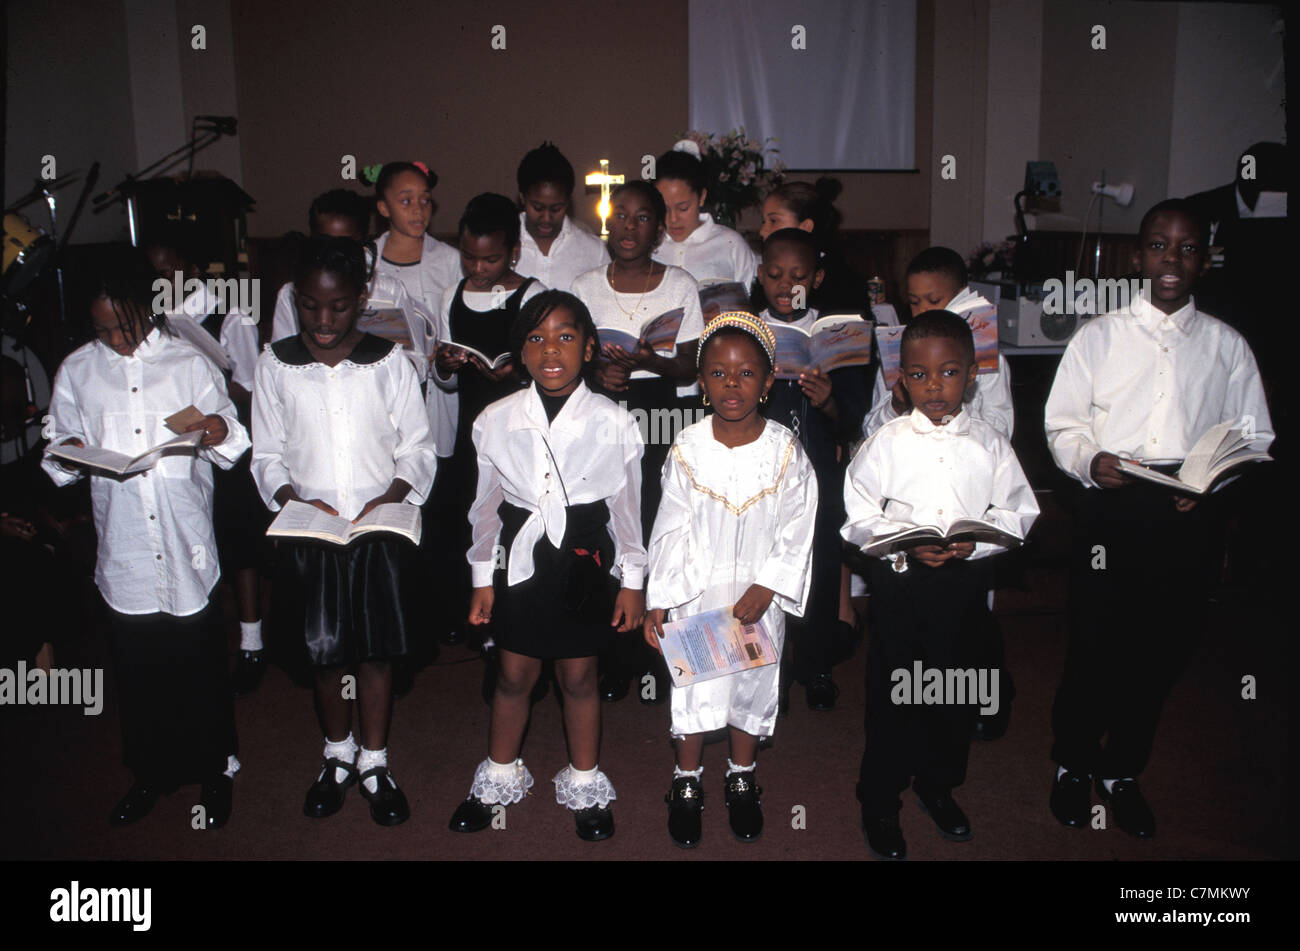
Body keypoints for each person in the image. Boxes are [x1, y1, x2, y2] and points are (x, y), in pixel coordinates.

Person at [1043, 199, 1273, 839]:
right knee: (1095, 641)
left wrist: (1214, 482)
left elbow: (1252, 433)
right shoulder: (1100, 336)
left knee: (1162, 646)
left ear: (1206, 259)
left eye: (1188, 248)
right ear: (1138, 255)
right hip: (1114, 503)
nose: (1172, 259)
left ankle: (1122, 769)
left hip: (1187, 505)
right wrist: (1092, 460)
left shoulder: (1227, 345)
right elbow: (1063, 423)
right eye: (1159, 246)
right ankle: (1072, 762)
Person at [42, 245, 249, 829]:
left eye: (125, 325)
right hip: (126, 549)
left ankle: (216, 769)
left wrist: (215, 429)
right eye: (103, 329)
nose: (116, 339)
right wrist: (72, 454)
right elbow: (57, 448)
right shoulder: (78, 370)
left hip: (187, 544)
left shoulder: (187, 362)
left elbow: (232, 440)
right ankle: (150, 772)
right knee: (139, 672)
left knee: (200, 667)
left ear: (148, 308)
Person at [251, 236, 437, 827]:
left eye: (337, 306)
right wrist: (291, 499)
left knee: (376, 653)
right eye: (309, 306)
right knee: (326, 653)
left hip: (377, 533)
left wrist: (392, 496)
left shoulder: (388, 361)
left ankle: (375, 761)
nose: (323, 320)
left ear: (360, 299)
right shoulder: (275, 363)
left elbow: (418, 448)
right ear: (294, 300)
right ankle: (337, 756)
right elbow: (266, 455)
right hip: (313, 535)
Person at [448, 290, 645, 841]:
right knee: (513, 673)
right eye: (535, 337)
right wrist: (481, 578)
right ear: (519, 352)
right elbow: (484, 509)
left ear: (589, 348)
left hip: (584, 557)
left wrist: (632, 583)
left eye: (565, 336)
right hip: (520, 554)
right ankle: (498, 778)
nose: (550, 350)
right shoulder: (495, 419)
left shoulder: (614, 423)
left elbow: (627, 513)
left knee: (579, 675)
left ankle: (585, 785)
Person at [843, 310, 1038, 860]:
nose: (935, 387)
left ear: (972, 374)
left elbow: (1019, 511)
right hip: (902, 586)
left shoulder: (991, 443)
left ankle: (938, 784)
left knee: (954, 692)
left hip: (963, 587)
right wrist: (903, 538)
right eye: (920, 375)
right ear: (901, 378)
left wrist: (982, 541)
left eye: (949, 373)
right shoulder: (886, 441)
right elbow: (857, 513)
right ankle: (880, 799)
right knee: (895, 696)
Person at [645, 312, 817, 847]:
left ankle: (741, 777)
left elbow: (799, 524)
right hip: (698, 594)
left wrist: (769, 585)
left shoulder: (785, 450)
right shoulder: (687, 448)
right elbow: (669, 528)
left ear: (768, 382)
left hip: (758, 602)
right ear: (702, 382)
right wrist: (661, 599)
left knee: (750, 688)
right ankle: (687, 781)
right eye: (718, 373)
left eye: (746, 373)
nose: (731, 384)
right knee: (694, 691)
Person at [861, 246, 1017, 739]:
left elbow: (1000, 431)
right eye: (915, 303)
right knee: (902, 645)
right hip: (910, 531)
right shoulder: (903, 359)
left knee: (969, 632)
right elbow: (871, 429)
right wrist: (897, 402)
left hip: (966, 514)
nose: (926, 313)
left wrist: (950, 417)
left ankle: (982, 702)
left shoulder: (979, 359)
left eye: (937, 301)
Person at [571, 181, 704, 703]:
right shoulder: (584, 285)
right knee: (608, 526)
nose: (629, 226)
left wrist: (648, 361)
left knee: (658, 526)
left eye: (642, 217)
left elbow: (690, 364)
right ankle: (614, 655)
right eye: (620, 216)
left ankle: (665, 654)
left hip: (664, 414)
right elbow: (573, 356)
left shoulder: (679, 284)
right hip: (605, 413)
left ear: (657, 228)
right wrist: (600, 373)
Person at [145, 233, 267, 696]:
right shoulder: (154, 320)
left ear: (191, 271)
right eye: (153, 275)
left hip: (225, 437)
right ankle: (197, 631)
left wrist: (210, 373)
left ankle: (252, 640)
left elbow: (253, 387)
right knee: (194, 535)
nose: (160, 281)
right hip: (179, 439)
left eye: (167, 271)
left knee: (238, 541)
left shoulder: (229, 311)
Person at [756, 229, 867, 711]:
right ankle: (767, 665)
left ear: (817, 279)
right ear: (760, 277)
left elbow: (854, 416)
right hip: (761, 471)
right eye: (776, 275)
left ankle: (816, 662)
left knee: (820, 565)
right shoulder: (746, 329)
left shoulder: (837, 334)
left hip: (818, 467)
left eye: (799, 277)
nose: (787, 286)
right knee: (764, 564)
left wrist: (828, 403)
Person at [430, 194, 546, 649]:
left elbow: (547, 368)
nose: (478, 269)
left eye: (491, 258)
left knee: (514, 520)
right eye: (469, 258)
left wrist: (517, 371)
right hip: (471, 433)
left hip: (518, 434)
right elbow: (445, 386)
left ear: (513, 251)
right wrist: (444, 364)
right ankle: (478, 618)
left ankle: (514, 621)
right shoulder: (451, 297)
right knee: (476, 520)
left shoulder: (531, 294)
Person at [652, 141, 757, 288]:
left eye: (683, 208)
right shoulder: (648, 244)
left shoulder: (731, 243)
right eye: (664, 209)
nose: (673, 219)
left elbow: (748, 300)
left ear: (701, 197)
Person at [758, 178, 868, 316]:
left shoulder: (840, 280)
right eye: (775, 275)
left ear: (805, 227)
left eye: (773, 221)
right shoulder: (765, 272)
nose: (763, 231)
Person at [514, 142, 609, 292]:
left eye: (556, 209)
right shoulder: (503, 245)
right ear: (522, 199)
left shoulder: (595, 252)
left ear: (568, 202)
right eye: (537, 208)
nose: (546, 218)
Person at [372, 161, 462, 318]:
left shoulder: (451, 260)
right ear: (384, 208)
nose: (418, 210)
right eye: (406, 201)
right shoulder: (365, 260)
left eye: (425, 200)